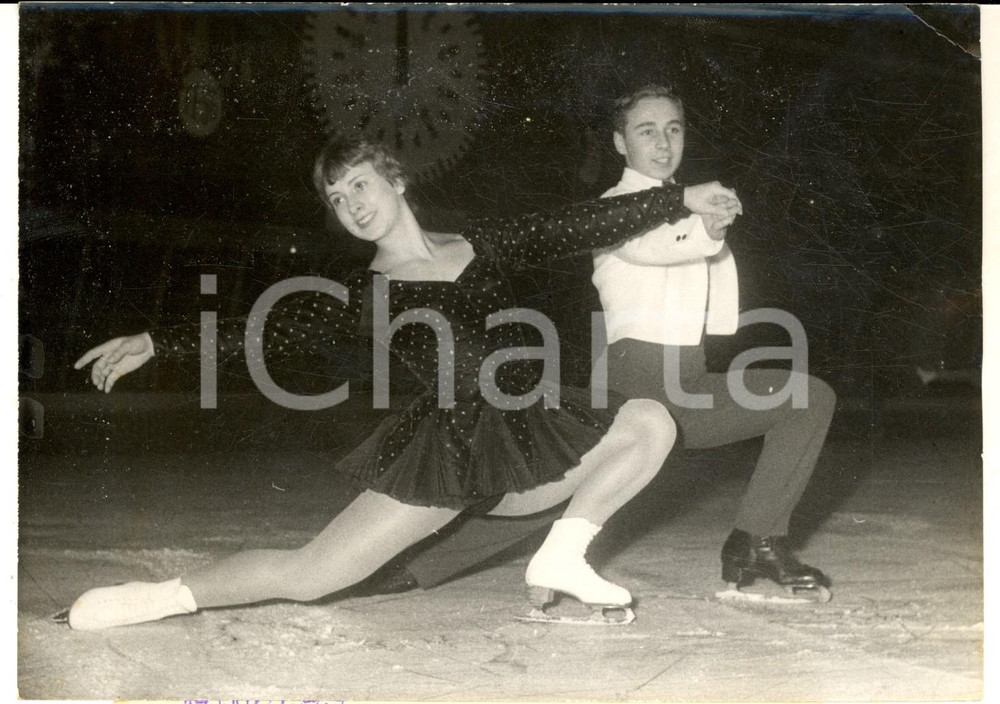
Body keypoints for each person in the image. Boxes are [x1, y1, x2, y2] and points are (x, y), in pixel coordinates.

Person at [64, 136, 743, 630]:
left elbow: (574, 223)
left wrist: (678, 198)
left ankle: (560, 558)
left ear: (396, 180)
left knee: (650, 422)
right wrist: (160, 339)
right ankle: (154, 598)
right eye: (337, 198)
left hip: (534, 434)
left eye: (358, 184)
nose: (350, 204)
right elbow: (265, 328)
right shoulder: (366, 293)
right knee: (312, 577)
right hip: (449, 451)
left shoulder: (488, 244)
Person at [380, 85, 837, 601]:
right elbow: (648, 247)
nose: (663, 143)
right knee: (551, 493)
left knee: (806, 398)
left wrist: (704, 225)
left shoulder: (688, 208)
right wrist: (707, 230)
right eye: (647, 131)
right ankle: (412, 565)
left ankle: (756, 540)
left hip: (688, 379)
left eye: (674, 128)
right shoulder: (616, 207)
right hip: (632, 377)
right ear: (620, 143)